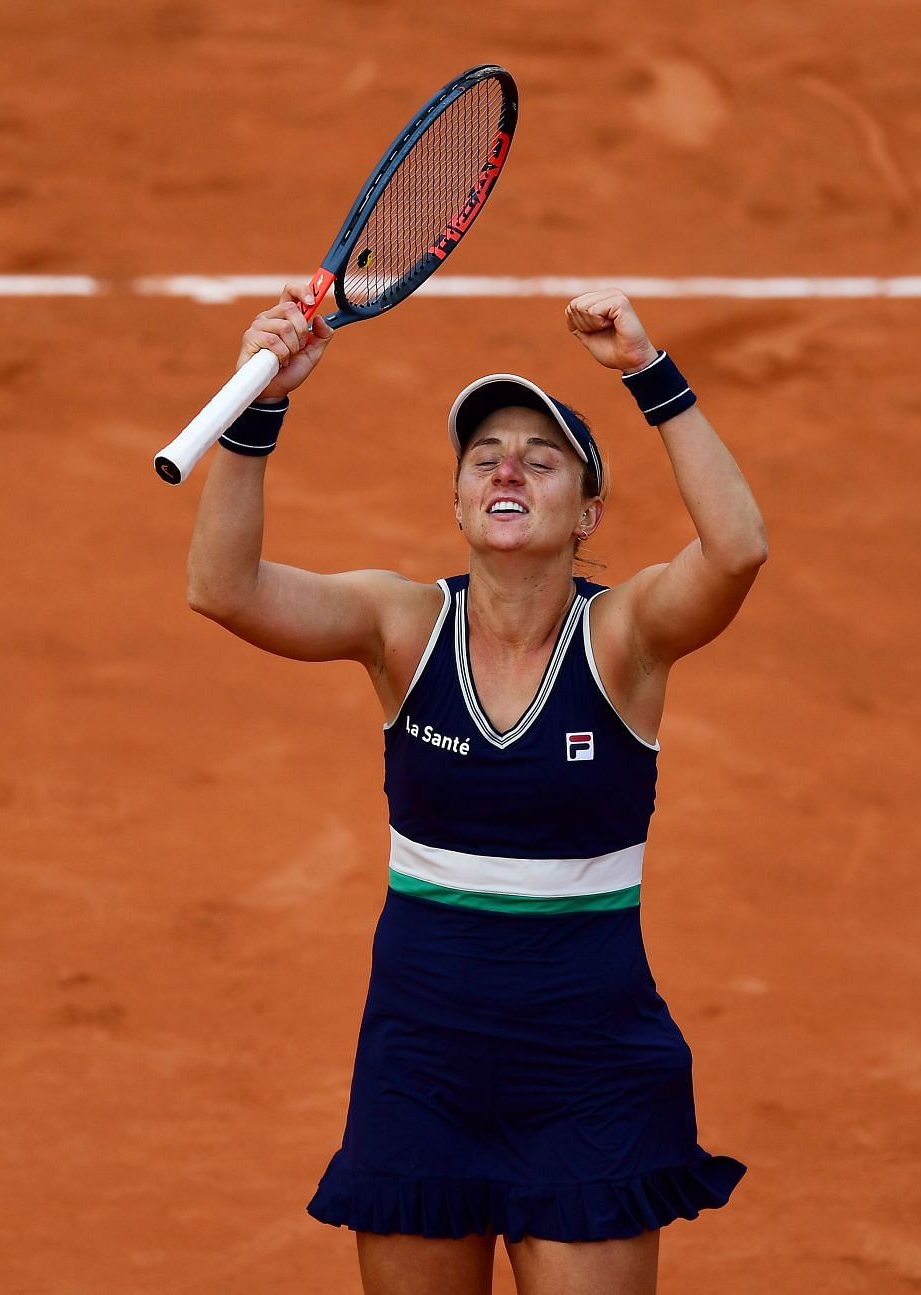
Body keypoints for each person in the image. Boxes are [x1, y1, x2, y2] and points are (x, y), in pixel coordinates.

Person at [185, 281, 768, 1295]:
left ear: (588, 509)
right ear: (456, 499)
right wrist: (256, 406)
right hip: (423, 1073)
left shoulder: (624, 639)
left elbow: (738, 549)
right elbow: (222, 588)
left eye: (543, 460)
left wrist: (647, 373)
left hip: (591, 1079)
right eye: (485, 456)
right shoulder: (401, 626)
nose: (509, 467)